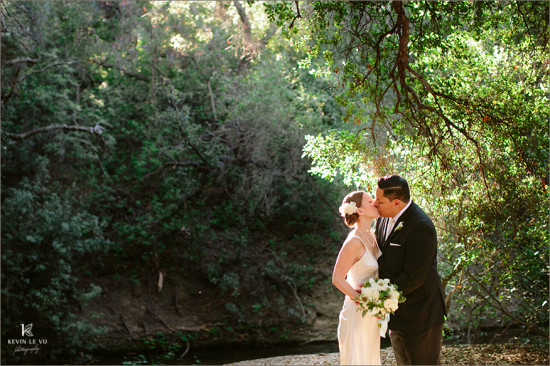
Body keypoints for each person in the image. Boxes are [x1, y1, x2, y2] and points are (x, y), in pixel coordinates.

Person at [374, 174, 446, 365]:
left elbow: (414, 277)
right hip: (397, 313)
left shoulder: (420, 227)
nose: (375, 204)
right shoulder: (382, 218)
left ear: (396, 203)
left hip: (421, 314)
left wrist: (379, 298)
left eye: (379, 201)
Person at [332, 190, 381, 365]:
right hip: (357, 313)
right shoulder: (353, 242)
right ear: (359, 211)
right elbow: (337, 278)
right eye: (369, 201)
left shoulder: (373, 236)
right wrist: (361, 299)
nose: (375, 202)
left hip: (372, 314)